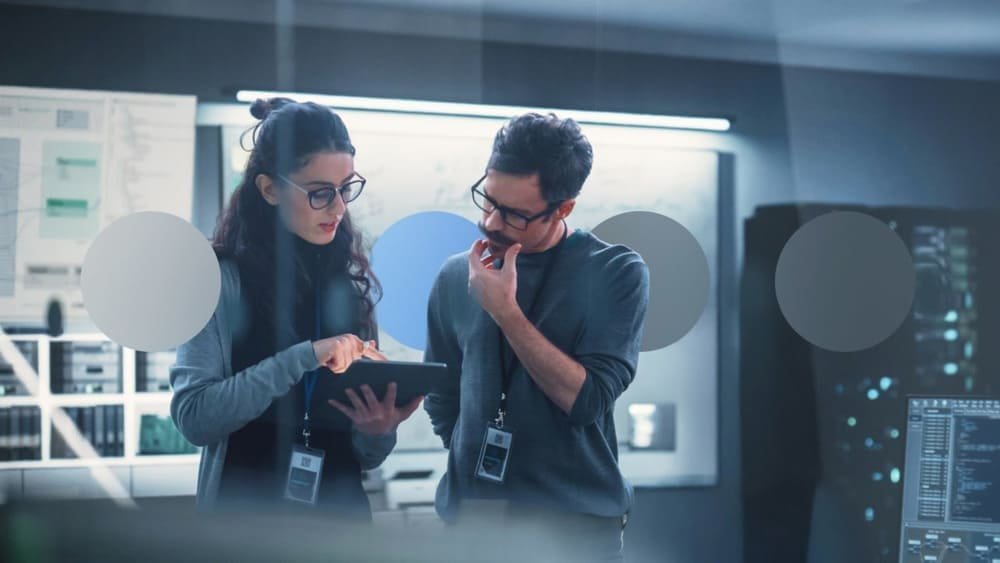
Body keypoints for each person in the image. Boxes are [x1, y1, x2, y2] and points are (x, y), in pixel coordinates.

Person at [170, 98, 421, 519]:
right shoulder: (218, 281)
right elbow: (195, 418)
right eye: (320, 193)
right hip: (244, 529)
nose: (339, 208)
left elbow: (366, 457)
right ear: (270, 189)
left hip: (342, 530)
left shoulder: (350, 283)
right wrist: (306, 357)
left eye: (346, 188)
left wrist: (378, 431)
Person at [423, 112, 650, 561]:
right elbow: (442, 394)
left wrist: (505, 312)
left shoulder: (616, 273)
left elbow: (588, 399)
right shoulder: (456, 275)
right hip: (474, 525)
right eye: (488, 200)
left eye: (514, 214)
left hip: (574, 530)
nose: (491, 222)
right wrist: (479, 462)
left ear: (563, 209)